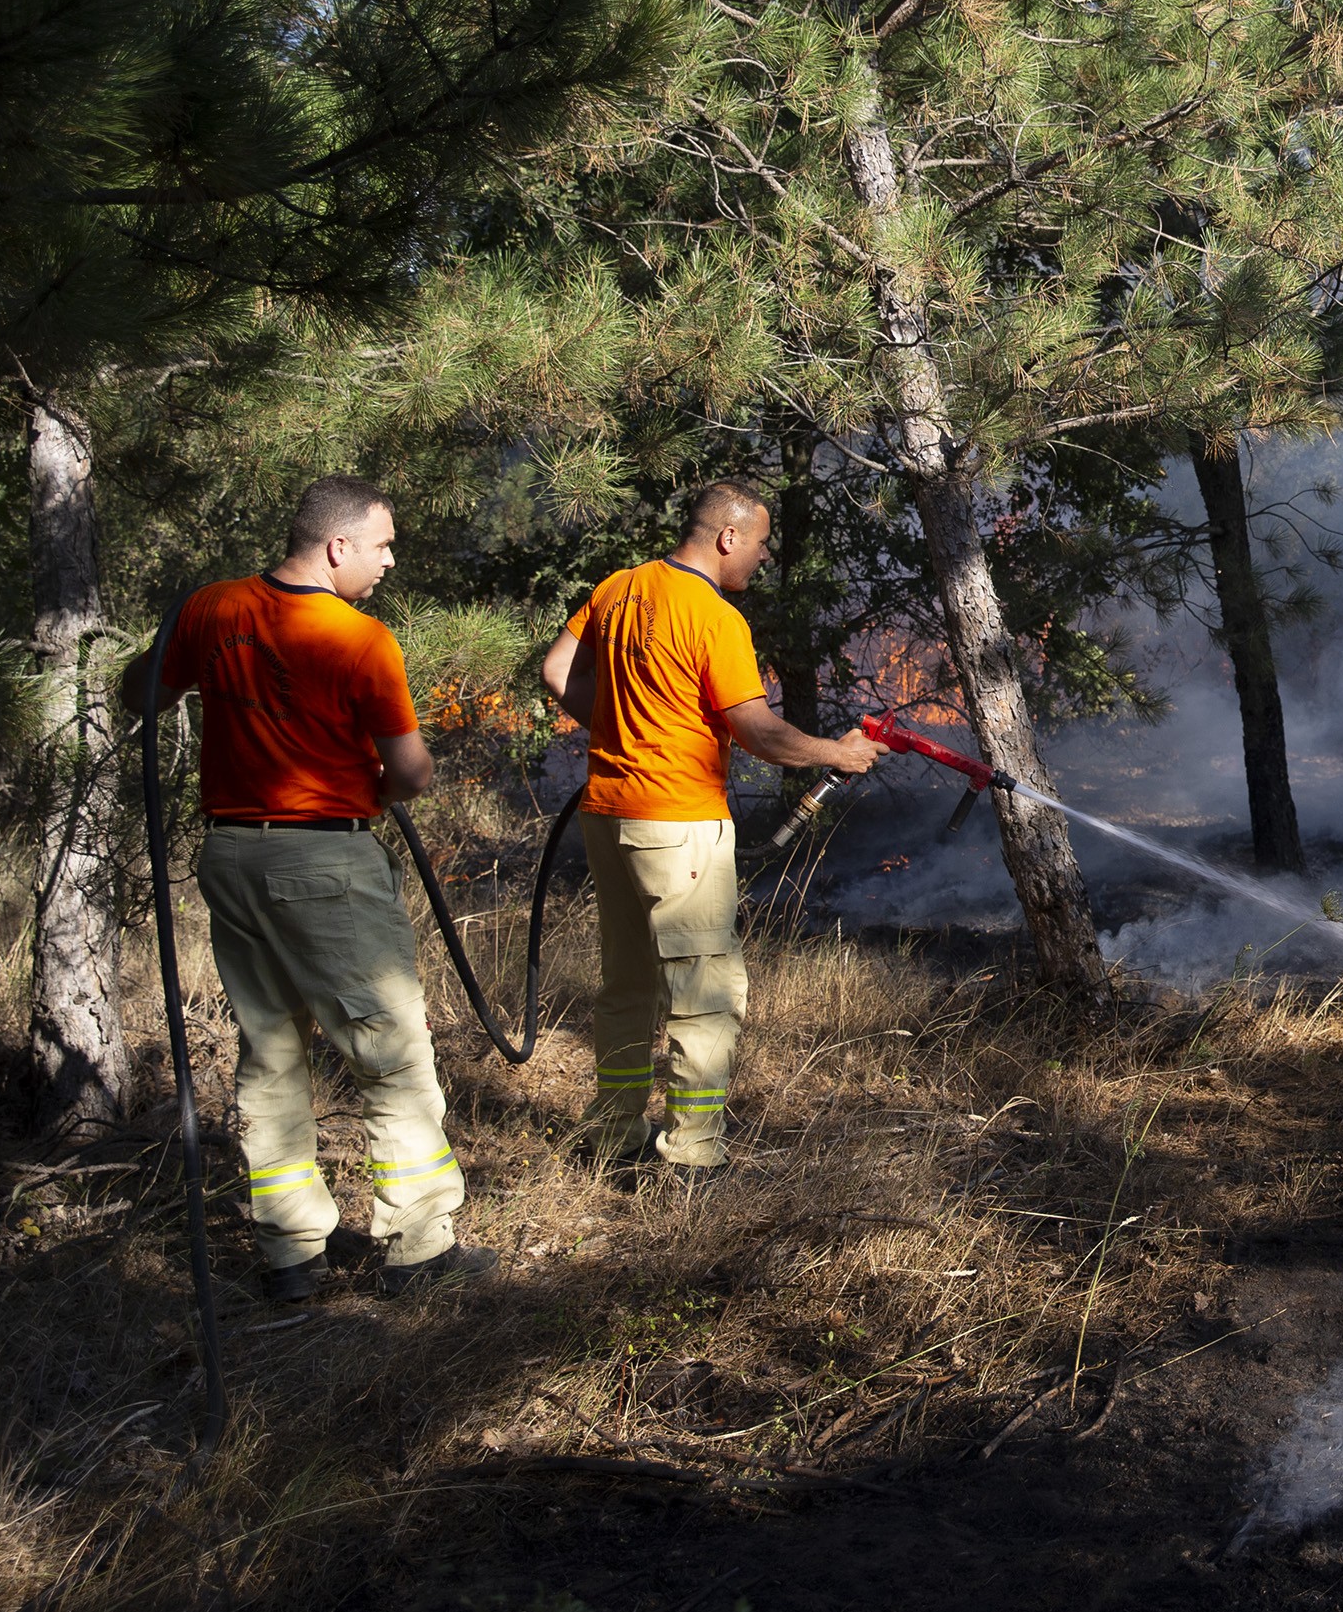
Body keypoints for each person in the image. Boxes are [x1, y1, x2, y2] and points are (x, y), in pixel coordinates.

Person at [137, 476, 493, 1300]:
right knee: (390, 1046)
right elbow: (410, 772)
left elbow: (144, 692)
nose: (390, 560)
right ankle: (420, 1246)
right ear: (338, 547)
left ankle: (290, 1253)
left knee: (270, 1049)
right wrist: (372, 777)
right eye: (381, 545)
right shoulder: (360, 639)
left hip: (230, 853)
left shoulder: (212, 610)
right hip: (324, 863)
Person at [539, 481, 883, 1180]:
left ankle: (613, 1135)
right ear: (727, 537)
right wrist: (838, 754)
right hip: (678, 825)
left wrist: (616, 729)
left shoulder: (618, 586)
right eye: (758, 544)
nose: (759, 558)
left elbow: (554, 669)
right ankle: (692, 1153)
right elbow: (757, 730)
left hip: (608, 814)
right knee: (703, 993)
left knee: (626, 984)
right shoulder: (715, 617)